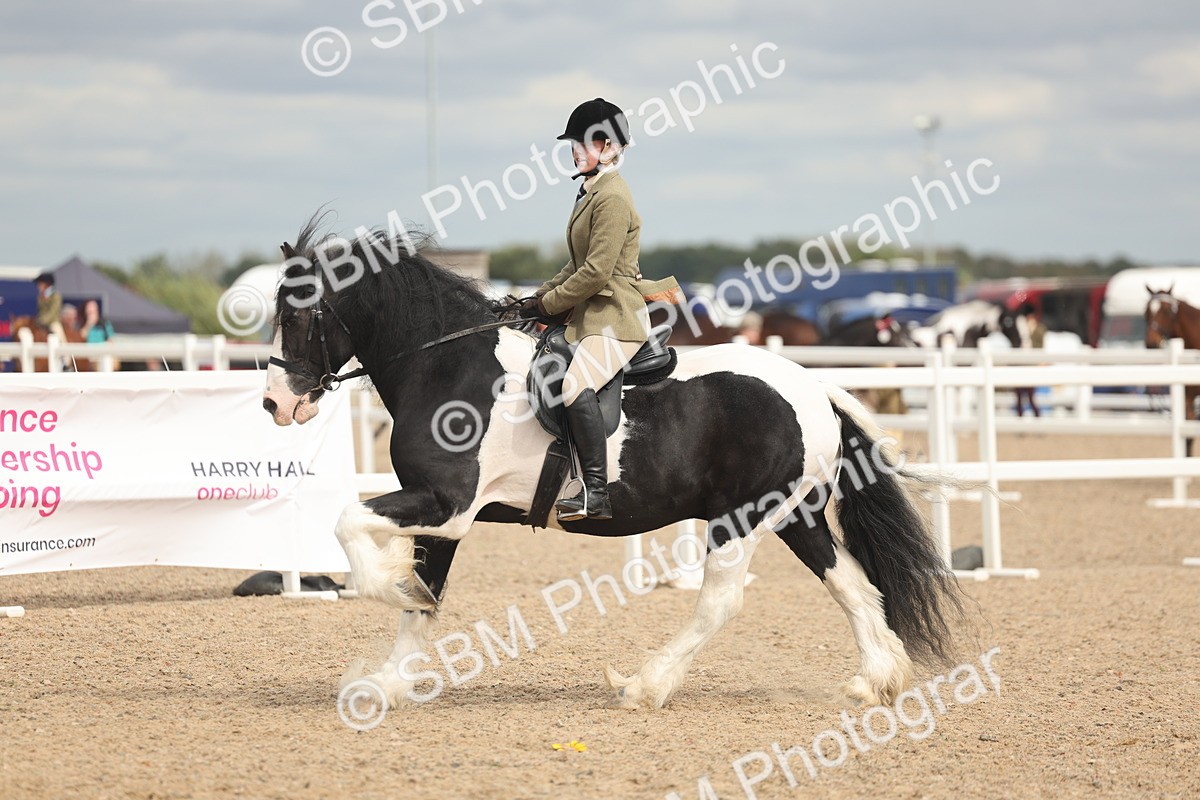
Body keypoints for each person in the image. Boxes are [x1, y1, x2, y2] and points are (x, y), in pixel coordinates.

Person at [520, 98, 678, 521]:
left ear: (608, 147)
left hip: (617, 318)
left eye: (583, 143)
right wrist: (535, 298)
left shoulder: (613, 197)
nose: (575, 151)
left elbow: (595, 272)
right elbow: (576, 264)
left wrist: (551, 304)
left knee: (574, 386)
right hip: (592, 316)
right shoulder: (591, 192)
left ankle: (595, 491)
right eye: (573, 143)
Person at [33, 272, 65, 341]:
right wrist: (38, 320)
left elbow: (53, 311)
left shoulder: (55, 296)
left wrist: (43, 320)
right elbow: (40, 311)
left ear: (47, 284)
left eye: (40, 284)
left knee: (58, 332)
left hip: (52, 321)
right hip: (41, 322)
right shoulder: (40, 296)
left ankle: (64, 346)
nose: (38, 286)